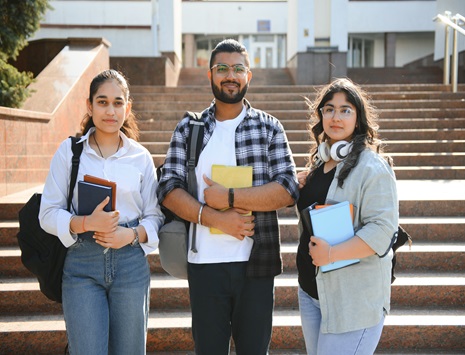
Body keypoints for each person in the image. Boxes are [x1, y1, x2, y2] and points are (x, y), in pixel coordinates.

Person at [157, 39, 299, 355]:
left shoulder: (269, 128)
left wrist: (230, 197)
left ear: (248, 76)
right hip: (205, 265)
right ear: (210, 75)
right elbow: (167, 188)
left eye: (238, 69)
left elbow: (288, 188)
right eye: (222, 68)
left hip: (256, 265)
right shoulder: (189, 127)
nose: (230, 76)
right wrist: (215, 216)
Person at [39, 69, 164, 355]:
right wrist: (84, 222)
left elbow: (155, 216)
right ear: (90, 106)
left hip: (130, 266)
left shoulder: (140, 157)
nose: (110, 110)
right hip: (82, 265)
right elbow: (47, 214)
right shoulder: (70, 153)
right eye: (103, 102)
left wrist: (131, 235)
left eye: (118, 103)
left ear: (128, 107)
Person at [296, 78, 399, 354]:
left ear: (358, 117)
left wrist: (331, 254)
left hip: (352, 301)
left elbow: (382, 230)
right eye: (329, 109)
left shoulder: (372, 167)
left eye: (345, 110)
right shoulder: (320, 162)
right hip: (312, 292)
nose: (336, 117)